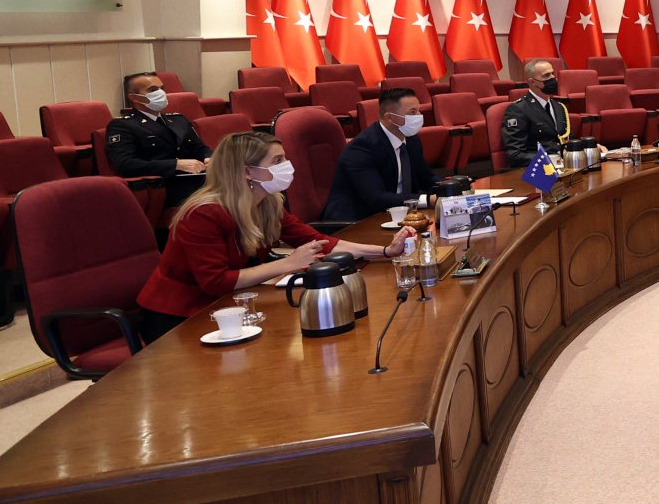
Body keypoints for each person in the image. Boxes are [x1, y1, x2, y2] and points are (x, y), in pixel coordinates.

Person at [134, 131, 413, 341]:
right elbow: (215, 282)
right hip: (179, 318)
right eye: (277, 161)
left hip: (232, 307)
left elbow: (317, 241)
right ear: (247, 171)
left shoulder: (268, 203)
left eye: (285, 158)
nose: (287, 165)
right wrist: (287, 263)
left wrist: (384, 251)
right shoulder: (204, 213)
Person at [321, 86, 436, 224]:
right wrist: (428, 200)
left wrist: (450, 189)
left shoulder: (411, 140)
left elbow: (427, 178)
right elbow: (376, 198)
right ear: (389, 117)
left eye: (418, 111)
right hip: (357, 222)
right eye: (412, 112)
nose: (419, 116)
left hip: (397, 216)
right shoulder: (362, 148)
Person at [103, 71, 211, 209]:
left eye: (162, 88)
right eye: (153, 90)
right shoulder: (122, 125)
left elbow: (200, 148)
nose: (161, 93)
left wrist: (211, 158)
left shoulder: (177, 119)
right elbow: (125, 164)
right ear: (134, 98)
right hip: (165, 186)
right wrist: (175, 165)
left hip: (197, 180)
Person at [501, 59, 573, 168]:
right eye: (546, 75)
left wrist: (588, 146)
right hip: (536, 170)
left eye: (553, 73)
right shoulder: (518, 110)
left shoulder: (559, 106)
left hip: (562, 167)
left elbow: (566, 138)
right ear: (532, 82)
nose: (552, 78)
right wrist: (549, 160)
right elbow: (515, 155)